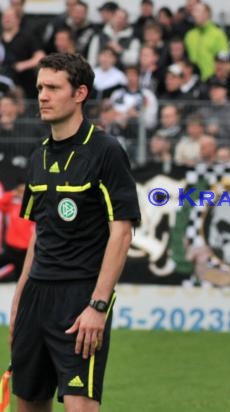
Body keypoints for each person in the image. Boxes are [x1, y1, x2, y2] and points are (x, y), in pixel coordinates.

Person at [9, 53, 140, 411]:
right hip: (36, 295)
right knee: (29, 403)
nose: (42, 96)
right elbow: (40, 232)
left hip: (80, 298)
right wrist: (20, 301)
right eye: (39, 88)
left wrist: (98, 305)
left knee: (80, 405)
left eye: (53, 87)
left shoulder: (106, 151)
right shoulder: (39, 156)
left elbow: (122, 234)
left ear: (80, 93)